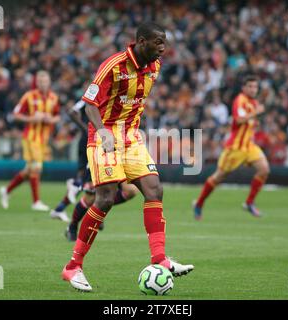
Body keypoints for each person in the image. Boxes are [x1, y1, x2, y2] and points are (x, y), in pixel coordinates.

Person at [61, 22, 194, 292]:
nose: (163, 48)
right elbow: (89, 104)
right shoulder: (114, 65)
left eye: (164, 43)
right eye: (158, 42)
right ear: (141, 41)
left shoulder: (154, 67)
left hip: (131, 137)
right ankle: (73, 266)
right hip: (104, 136)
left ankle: (160, 259)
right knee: (105, 199)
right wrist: (102, 131)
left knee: (154, 189)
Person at [50, 100, 139, 233]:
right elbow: (73, 112)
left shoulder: (124, 95)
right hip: (96, 145)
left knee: (130, 190)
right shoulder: (93, 96)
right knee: (90, 194)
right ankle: (72, 225)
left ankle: (94, 205)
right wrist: (87, 129)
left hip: (118, 147)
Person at [194, 75, 270, 218]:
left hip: (249, 146)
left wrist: (255, 123)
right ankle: (199, 203)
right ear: (244, 88)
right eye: (250, 86)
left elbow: (249, 122)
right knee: (218, 177)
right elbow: (239, 119)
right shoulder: (240, 101)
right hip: (235, 148)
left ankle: (249, 202)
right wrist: (255, 113)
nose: (254, 89)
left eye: (255, 87)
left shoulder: (253, 102)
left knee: (264, 169)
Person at [0, 71, 60, 211]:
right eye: (40, 81)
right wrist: (32, 119)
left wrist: (50, 119)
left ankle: (6, 190)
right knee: (37, 168)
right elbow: (15, 115)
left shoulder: (53, 98)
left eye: (45, 81)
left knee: (29, 170)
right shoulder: (29, 96)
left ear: (49, 82)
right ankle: (36, 202)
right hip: (31, 138)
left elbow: (57, 116)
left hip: (43, 139)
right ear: (36, 83)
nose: (43, 83)